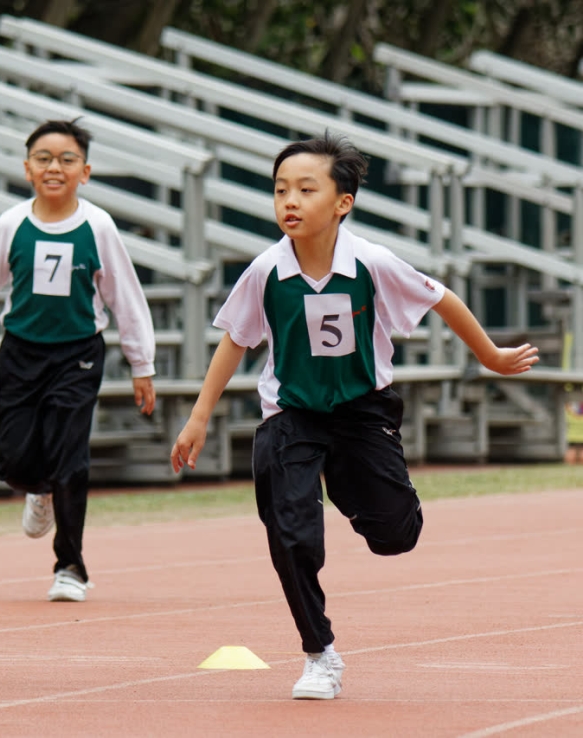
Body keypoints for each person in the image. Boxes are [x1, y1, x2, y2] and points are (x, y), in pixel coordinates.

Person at [170, 132, 539, 700]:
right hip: (291, 415)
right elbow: (235, 339)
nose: (290, 201)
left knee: (395, 536)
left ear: (343, 202)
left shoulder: (372, 261)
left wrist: (489, 355)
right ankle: (319, 654)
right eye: (280, 190)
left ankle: (350, 484)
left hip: (362, 413)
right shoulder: (266, 270)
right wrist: (198, 417)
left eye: (306, 189)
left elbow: (440, 297)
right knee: (291, 533)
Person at [0, 119, 157, 603]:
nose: (54, 167)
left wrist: (141, 365)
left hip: (78, 354)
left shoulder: (98, 226)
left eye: (66, 159)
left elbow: (125, 297)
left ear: (85, 171)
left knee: (70, 459)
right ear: (27, 169)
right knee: (12, 458)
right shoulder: (10, 225)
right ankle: (36, 488)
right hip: (20, 352)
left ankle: (70, 566)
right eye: (43, 158)